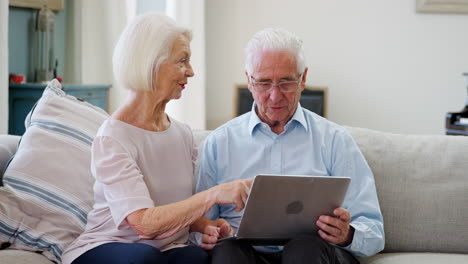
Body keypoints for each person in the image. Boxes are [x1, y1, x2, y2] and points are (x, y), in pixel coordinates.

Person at [61, 13, 252, 264]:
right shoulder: (113, 137)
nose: (191, 72)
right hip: (108, 245)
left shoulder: (182, 134)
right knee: (144, 257)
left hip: (162, 248)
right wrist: (214, 195)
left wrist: (206, 226)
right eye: (182, 61)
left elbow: (172, 210)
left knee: (195, 257)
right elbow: (143, 225)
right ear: (151, 63)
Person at [196, 28, 384, 264]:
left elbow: (374, 231)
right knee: (227, 252)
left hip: (313, 253)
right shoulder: (219, 143)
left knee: (304, 247)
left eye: (286, 82)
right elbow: (199, 226)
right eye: (264, 83)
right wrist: (209, 234)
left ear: (303, 79)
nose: (275, 96)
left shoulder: (335, 140)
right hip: (243, 253)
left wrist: (347, 235)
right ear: (249, 81)